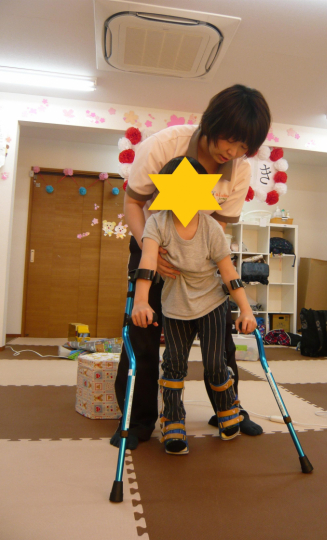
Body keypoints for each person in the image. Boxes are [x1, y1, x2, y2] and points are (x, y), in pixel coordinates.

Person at [111, 84, 271, 450]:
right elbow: (133, 202)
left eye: (243, 147)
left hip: (202, 252)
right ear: (213, 122)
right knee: (144, 331)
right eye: (230, 140)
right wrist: (150, 250)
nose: (233, 152)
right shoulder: (165, 145)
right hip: (151, 241)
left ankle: (228, 409)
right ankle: (137, 420)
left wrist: (204, 259)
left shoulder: (239, 170)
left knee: (220, 333)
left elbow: (220, 225)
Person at [132, 157, 257, 454]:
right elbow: (148, 261)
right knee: (174, 364)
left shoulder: (211, 227)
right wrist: (140, 301)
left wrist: (246, 309)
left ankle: (228, 408)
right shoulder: (157, 222)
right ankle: (173, 418)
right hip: (175, 305)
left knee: (215, 363)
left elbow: (228, 273)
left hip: (212, 303)